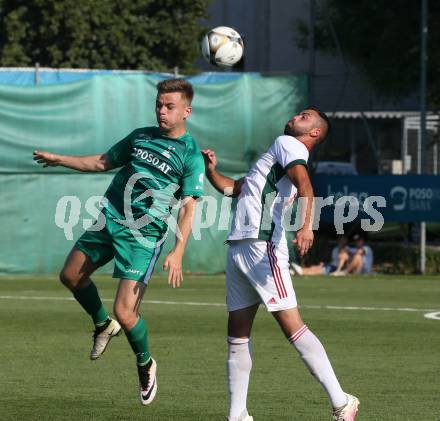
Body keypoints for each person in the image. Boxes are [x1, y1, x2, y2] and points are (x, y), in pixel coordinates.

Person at [33, 79, 204, 406]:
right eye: (159, 104)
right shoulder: (141, 136)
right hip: (109, 218)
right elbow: (101, 161)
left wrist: (178, 250)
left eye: (169, 106)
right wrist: (58, 158)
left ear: (186, 111)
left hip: (143, 235)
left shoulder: (190, 153)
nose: (162, 111)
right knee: (70, 276)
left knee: (126, 313)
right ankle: (101, 325)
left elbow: (189, 206)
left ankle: (145, 363)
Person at [202, 107, 359, 421]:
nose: (300, 114)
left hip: (263, 248)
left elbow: (306, 185)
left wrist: (305, 225)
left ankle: (342, 402)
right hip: (239, 246)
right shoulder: (276, 154)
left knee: (292, 327)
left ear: (315, 133)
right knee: (237, 335)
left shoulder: (290, 145)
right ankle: (238, 415)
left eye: (307, 115)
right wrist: (211, 170)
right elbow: (234, 189)